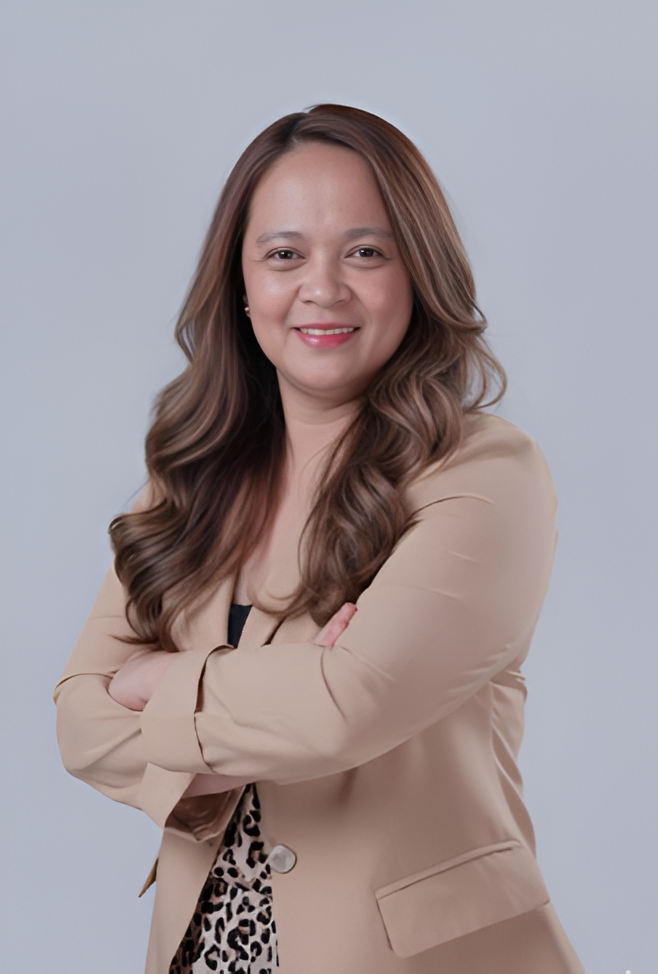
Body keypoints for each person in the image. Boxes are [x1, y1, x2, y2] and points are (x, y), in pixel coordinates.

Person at [54, 104, 583, 974]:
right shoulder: (193, 477)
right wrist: (268, 713)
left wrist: (154, 683)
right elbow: (79, 723)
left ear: (419, 272)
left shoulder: (487, 474)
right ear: (242, 283)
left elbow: (346, 709)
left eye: (366, 252)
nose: (323, 288)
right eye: (285, 254)